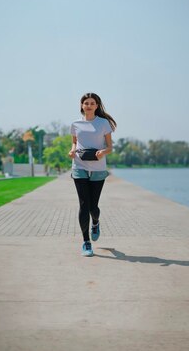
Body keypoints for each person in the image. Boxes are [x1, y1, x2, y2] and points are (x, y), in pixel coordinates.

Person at [69, 92, 117, 257]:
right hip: (79, 166)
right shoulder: (75, 124)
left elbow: (110, 147)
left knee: (93, 208)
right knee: (83, 205)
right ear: (82, 105)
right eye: (86, 103)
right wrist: (72, 151)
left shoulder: (103, 123)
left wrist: (103, 151)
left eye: (92, 103)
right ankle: (86, 242)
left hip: (98, 168)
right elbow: (75, 143)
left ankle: (95, 223)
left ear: (97, 106)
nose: (88, 105)